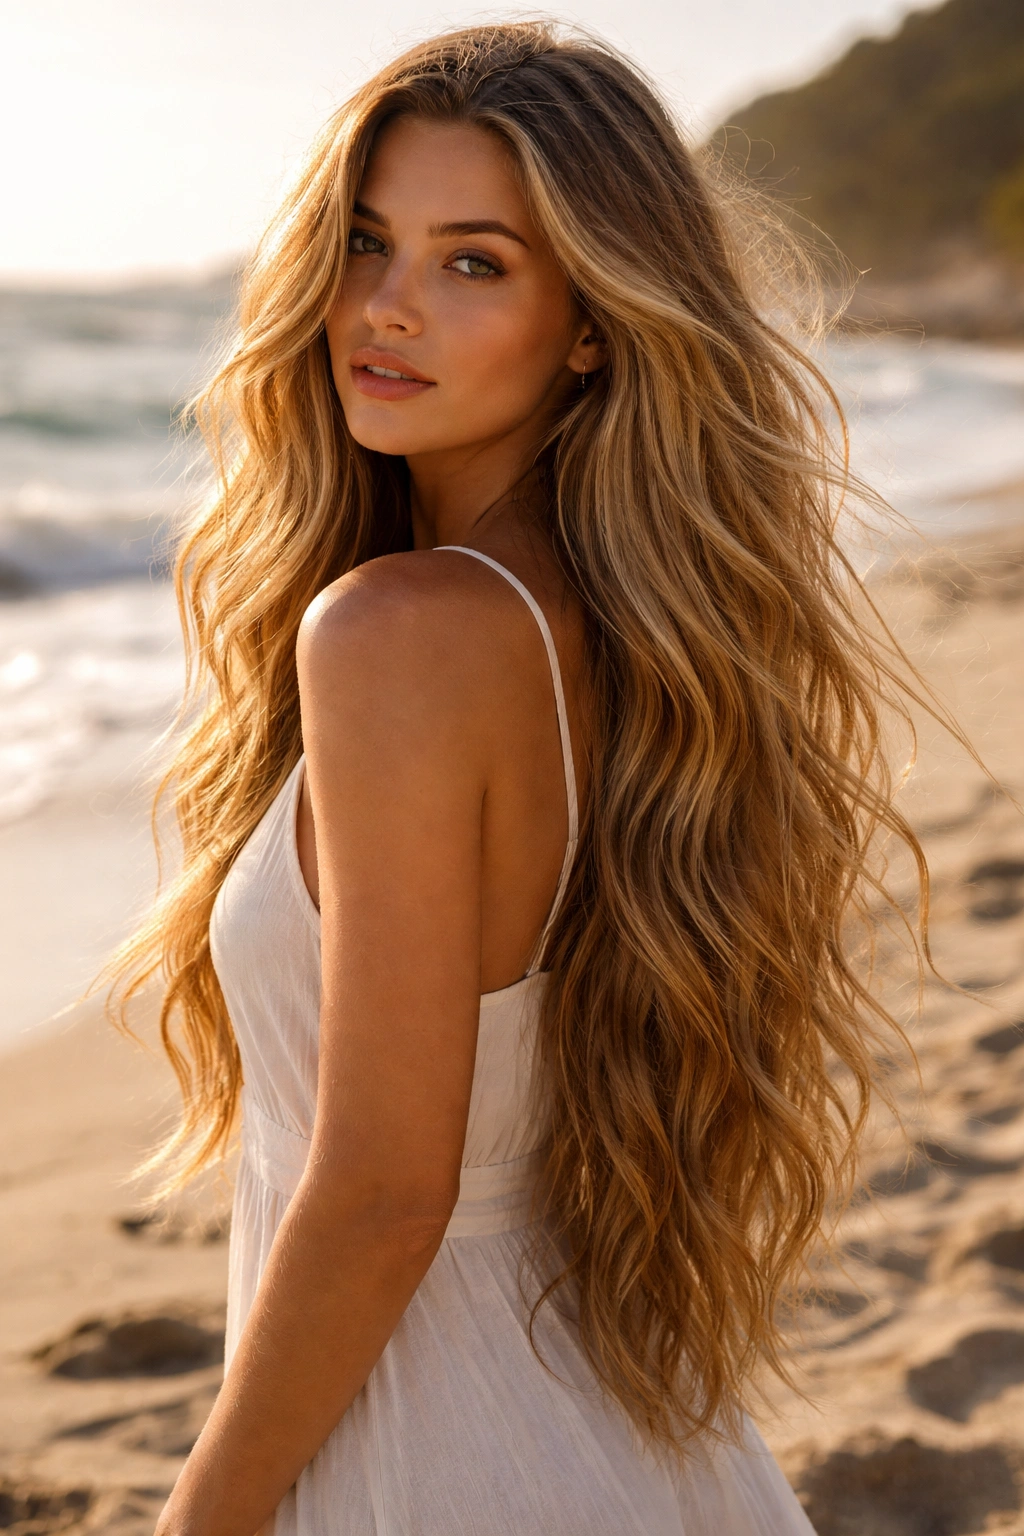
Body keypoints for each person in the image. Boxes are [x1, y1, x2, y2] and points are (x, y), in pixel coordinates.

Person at [112, 22, 926, 1534]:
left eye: (473, 263)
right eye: (367, 242)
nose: (386, 305)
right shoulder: (625, 635)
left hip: (440, 1450)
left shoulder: (403, 636)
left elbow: (382, 1195)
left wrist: (196, 1522)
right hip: (610, 1429)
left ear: (593, 325)